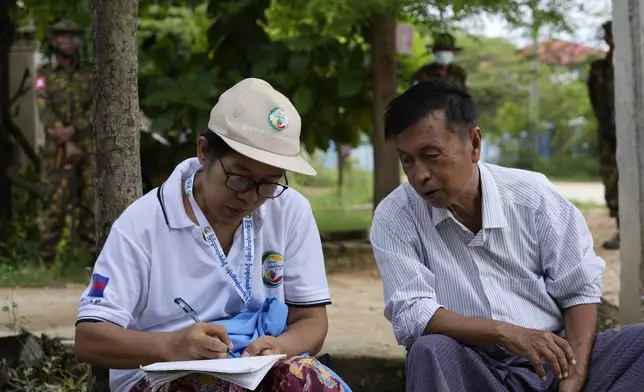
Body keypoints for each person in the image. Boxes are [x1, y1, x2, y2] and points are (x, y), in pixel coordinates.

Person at [74, 78, 351, 392]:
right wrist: (171, 346)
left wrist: (279, 347)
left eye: (268, 184)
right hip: (162, 375)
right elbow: (89, 339)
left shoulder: (289, 210)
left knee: (307, 377)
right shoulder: (143, 223)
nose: (250, 197)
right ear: (204, 152)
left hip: (256, 369)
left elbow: (312, 320)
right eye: (239, 178)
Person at [370, 80, 644, 392]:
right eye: (407, 159)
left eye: (431, 154)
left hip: (553, 360)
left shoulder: (533, 197)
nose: (419, 174)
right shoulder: (396, 216)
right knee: (428, 351)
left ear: (474, 144)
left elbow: (578, 289)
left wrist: (574, 377)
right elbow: (413, 313)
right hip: (472, 367)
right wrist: (506, 332)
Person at [35, 19, 95, 266]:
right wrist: (64, 137)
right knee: (53, 203)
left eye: (73, 37)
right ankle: (45, 263)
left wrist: (74, 130)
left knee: (92, 202)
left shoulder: (91, 72)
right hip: (56, 150)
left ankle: (92, 261)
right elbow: (43, 108)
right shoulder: (44, 75)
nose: (69, 42)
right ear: (53, 41)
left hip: (88, 148)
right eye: (63, 37)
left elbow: (96, 105)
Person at [587, 21, 619, 250]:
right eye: (608, 35)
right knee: (612, 180)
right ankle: (622, 229)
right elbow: (595, 100)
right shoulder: (599, 68)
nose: (611, 39)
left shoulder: (635, 64)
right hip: (608, 132)